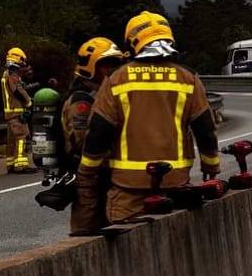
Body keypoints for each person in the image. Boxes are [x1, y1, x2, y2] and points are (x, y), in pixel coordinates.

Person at [76, 12, 219, 226]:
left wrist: (87, 173)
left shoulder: (117, 79)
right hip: (176, 187)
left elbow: (98, 133)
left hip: (128, 191)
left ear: (133, 42)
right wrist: (211, 167)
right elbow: (205, 129)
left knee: (128, 253)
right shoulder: (188, 78)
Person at [61, 38, 126, 233]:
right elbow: (83, 142)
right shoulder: (81, 102)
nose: (111, 70)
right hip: (88, 179)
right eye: (106, 65)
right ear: (91, 67)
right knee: (86, 231)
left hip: (107, 174)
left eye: (115, 64)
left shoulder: (105, 95)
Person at [0, 47, 36, 174]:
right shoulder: (12, 72)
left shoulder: (6, 73)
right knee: (22, 137)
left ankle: (10, 164)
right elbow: (17, 90)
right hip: (17, 112)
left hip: (10, 113)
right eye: (21, 60)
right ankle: (21, 165)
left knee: (11, 141)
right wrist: (28, 101)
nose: (22, 63)